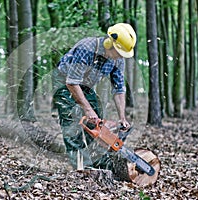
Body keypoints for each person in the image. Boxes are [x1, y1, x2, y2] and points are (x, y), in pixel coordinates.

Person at [52, 23, 136, 169]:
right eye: (119, 52)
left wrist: (122, 117)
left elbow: (119, 88)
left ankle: (99, 163)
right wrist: (87, 109)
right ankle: (80, 167)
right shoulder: (87, 48)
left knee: (97, 123)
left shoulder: (118, 59)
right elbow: (71, 82)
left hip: (85, 85)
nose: (120, 57)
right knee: (71, 122)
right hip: (64, 81)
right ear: (110, 43)